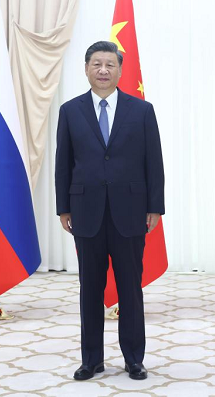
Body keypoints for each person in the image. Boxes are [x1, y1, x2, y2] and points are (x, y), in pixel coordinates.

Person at [55, 41, 165, 381]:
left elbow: (153, 162)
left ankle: (134, 358)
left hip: (130, 212)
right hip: (85, 212)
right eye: (97, 64)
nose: (103, 70)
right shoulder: (70, 111)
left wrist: (155, 207)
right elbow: (63, 163)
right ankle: (91, 360)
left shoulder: (141, 110)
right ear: (86, 68)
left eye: (110, 64)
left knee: (130, 288)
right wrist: (63, 207)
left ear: (119, 70)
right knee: (90, 288)